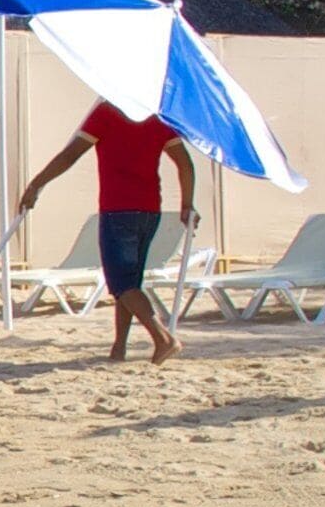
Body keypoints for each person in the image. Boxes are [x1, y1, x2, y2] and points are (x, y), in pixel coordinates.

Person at [19, 101, 201, 363]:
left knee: (121, 283)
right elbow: (186, 165)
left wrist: (36, 184)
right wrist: (187, 204)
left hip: (118, 209)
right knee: (129, 283)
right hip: (150, 210)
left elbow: (70, 155)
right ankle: (119, 348)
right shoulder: (156, 115)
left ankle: (163, 338)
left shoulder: (107, 112)